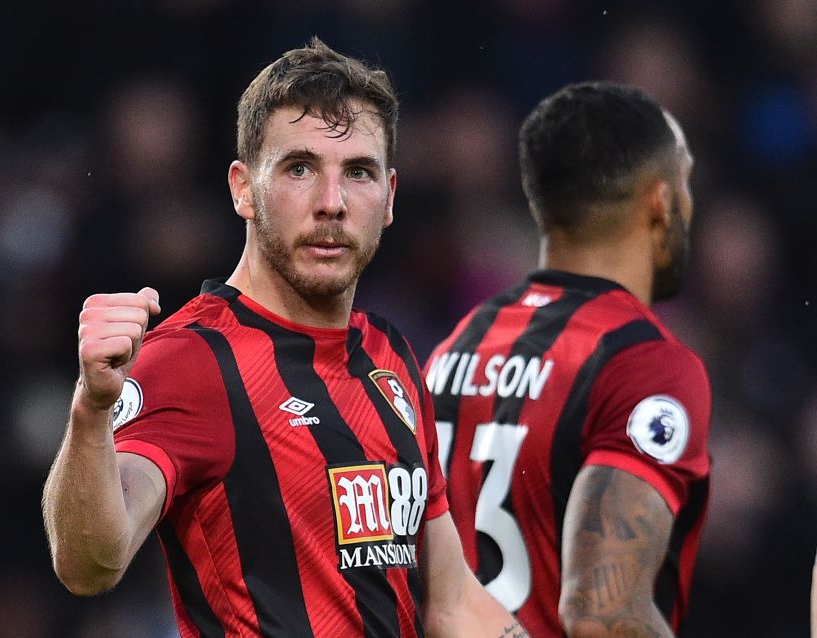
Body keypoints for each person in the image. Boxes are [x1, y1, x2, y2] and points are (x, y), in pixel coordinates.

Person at [42, 38, 527, 638]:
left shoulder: (390, 357)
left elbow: (452, 604)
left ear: (390, 197)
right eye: (300, 169)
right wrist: (91, 411)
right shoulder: (192, 357)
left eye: (358, 172)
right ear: (242, 188)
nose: (332, 203)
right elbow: (90, 563)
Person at [424, 81, 710, 637]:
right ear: (661, 200)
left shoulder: (455, 348)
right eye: (687, 181)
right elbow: (603, 615)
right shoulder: (645, 364)